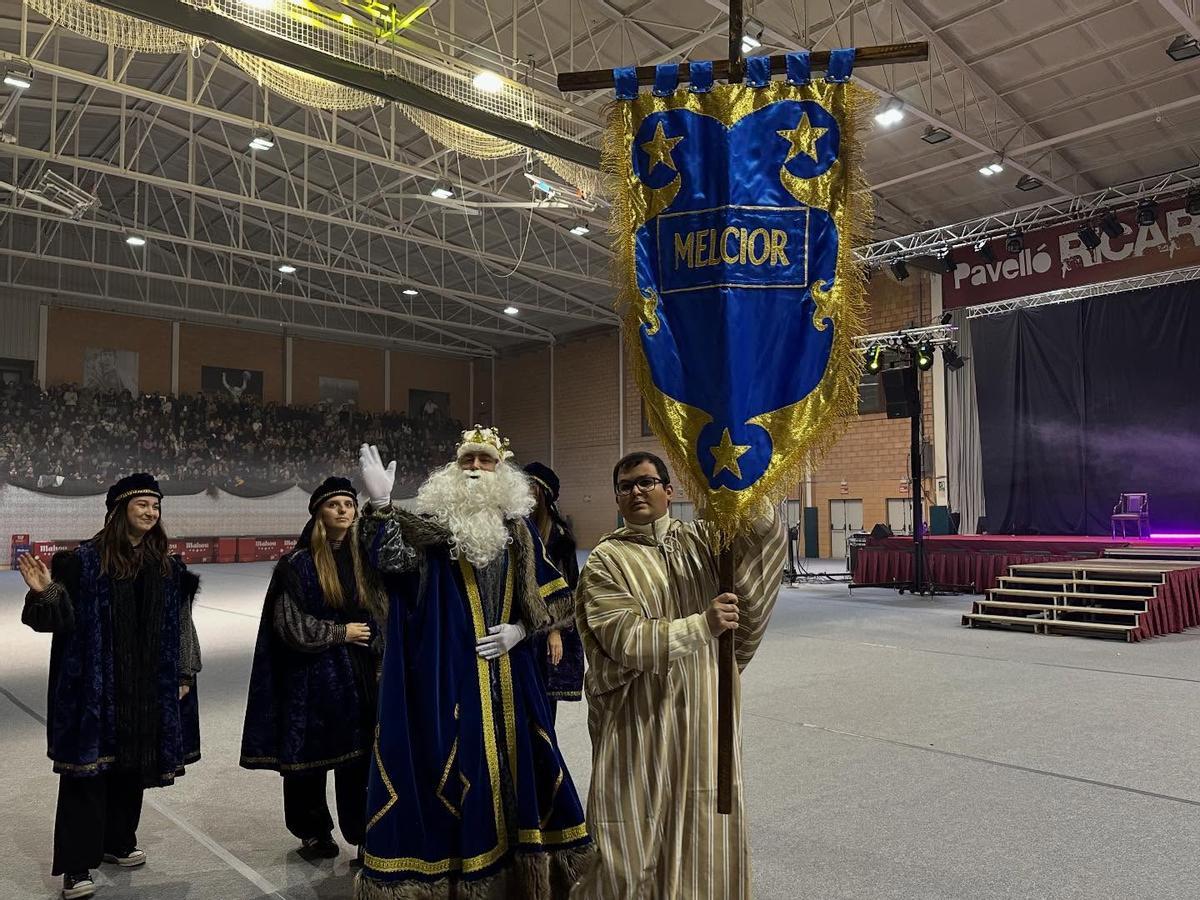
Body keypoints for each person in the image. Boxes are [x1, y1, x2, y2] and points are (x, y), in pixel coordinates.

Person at [352, 427, 594, 899]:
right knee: (450, 774)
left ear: (501, 471)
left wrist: (522, 631)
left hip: (512, 676)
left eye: (485, 461)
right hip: (448, 677)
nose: (476, 469)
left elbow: (557, 596)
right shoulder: (432, 526)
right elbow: (391, 566)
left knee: (526, 768)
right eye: (468, 461)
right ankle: (460, 877)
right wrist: (381, 508)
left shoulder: (519, 530)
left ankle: (520, 876)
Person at [573, 451, 786, 899]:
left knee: (703, 840)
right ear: (616, 498)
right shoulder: (605, 561)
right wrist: (701, 625)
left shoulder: (704, 542)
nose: (636, 492)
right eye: (626, 486)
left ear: (669, 491)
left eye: (647, 482)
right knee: (626, 851)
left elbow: (760, 543)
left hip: (704, 716)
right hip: (637, 724)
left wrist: (735, 491)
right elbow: (625, 639)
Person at [19, 473, 202, 900]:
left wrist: (182, 673)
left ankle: (116, 842)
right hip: (95, 687)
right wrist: (45, 593)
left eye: (155, 506)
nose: (151, 512)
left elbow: (182, 626)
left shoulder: (166, 566)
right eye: (142, 504)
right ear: (119, 511)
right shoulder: (83, 562)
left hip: (145, 688)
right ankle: (76, 865)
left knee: (132, 766)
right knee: (87, 774)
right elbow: (55, 621)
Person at [239, 476, 380, 862]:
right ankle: (313, 832)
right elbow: (289, 625)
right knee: (309, 762)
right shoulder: (296, 565)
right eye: (334, 504)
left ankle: (365, 835)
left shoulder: (365, 559)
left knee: (359, 761)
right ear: (319, 512)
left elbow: (382, 613)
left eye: (349, 505)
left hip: (359, 677)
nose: (343, 511)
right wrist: (340, 632)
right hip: (312, 678)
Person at [522, 462, 584, 723]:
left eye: (529, 486)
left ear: (541, 492)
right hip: (522, 627)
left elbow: (567, 588)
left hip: (546, 629)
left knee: (544, 704)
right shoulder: (518, 530)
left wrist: (555, 630)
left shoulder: (558, 537)